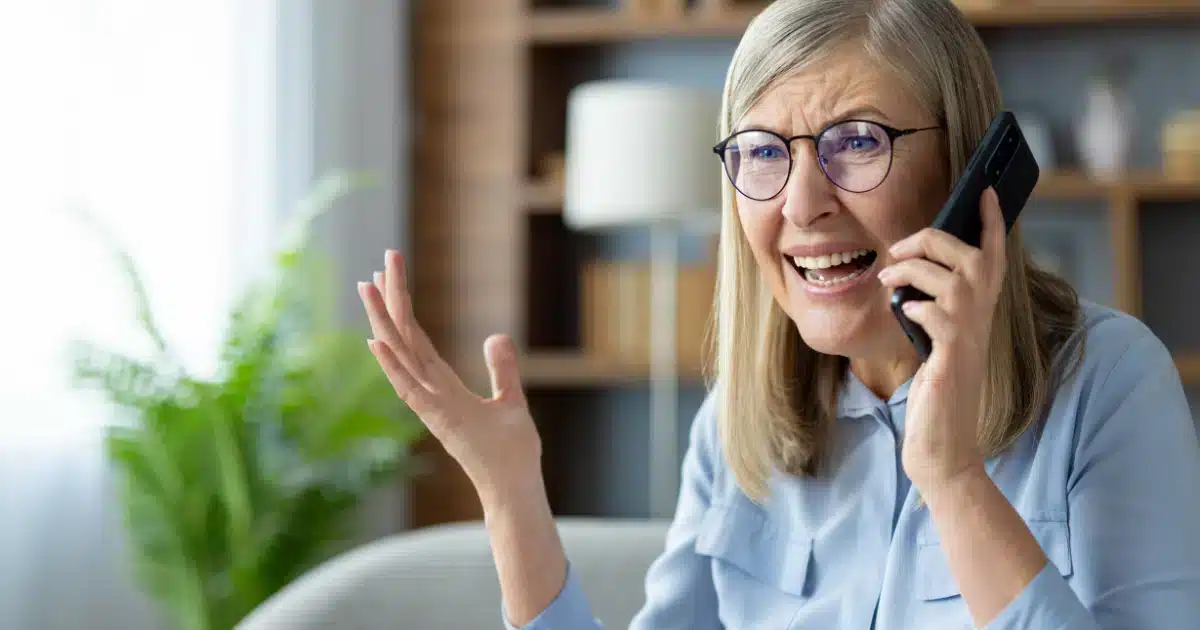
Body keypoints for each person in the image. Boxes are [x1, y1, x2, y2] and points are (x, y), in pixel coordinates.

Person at [358, 0, 1200, 628]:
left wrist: (951, 476)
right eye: (763, 152)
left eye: (858, 141)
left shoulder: (1108, 381)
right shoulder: (737, 419)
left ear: (968, 170)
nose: (801, 204)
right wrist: (509, 495)